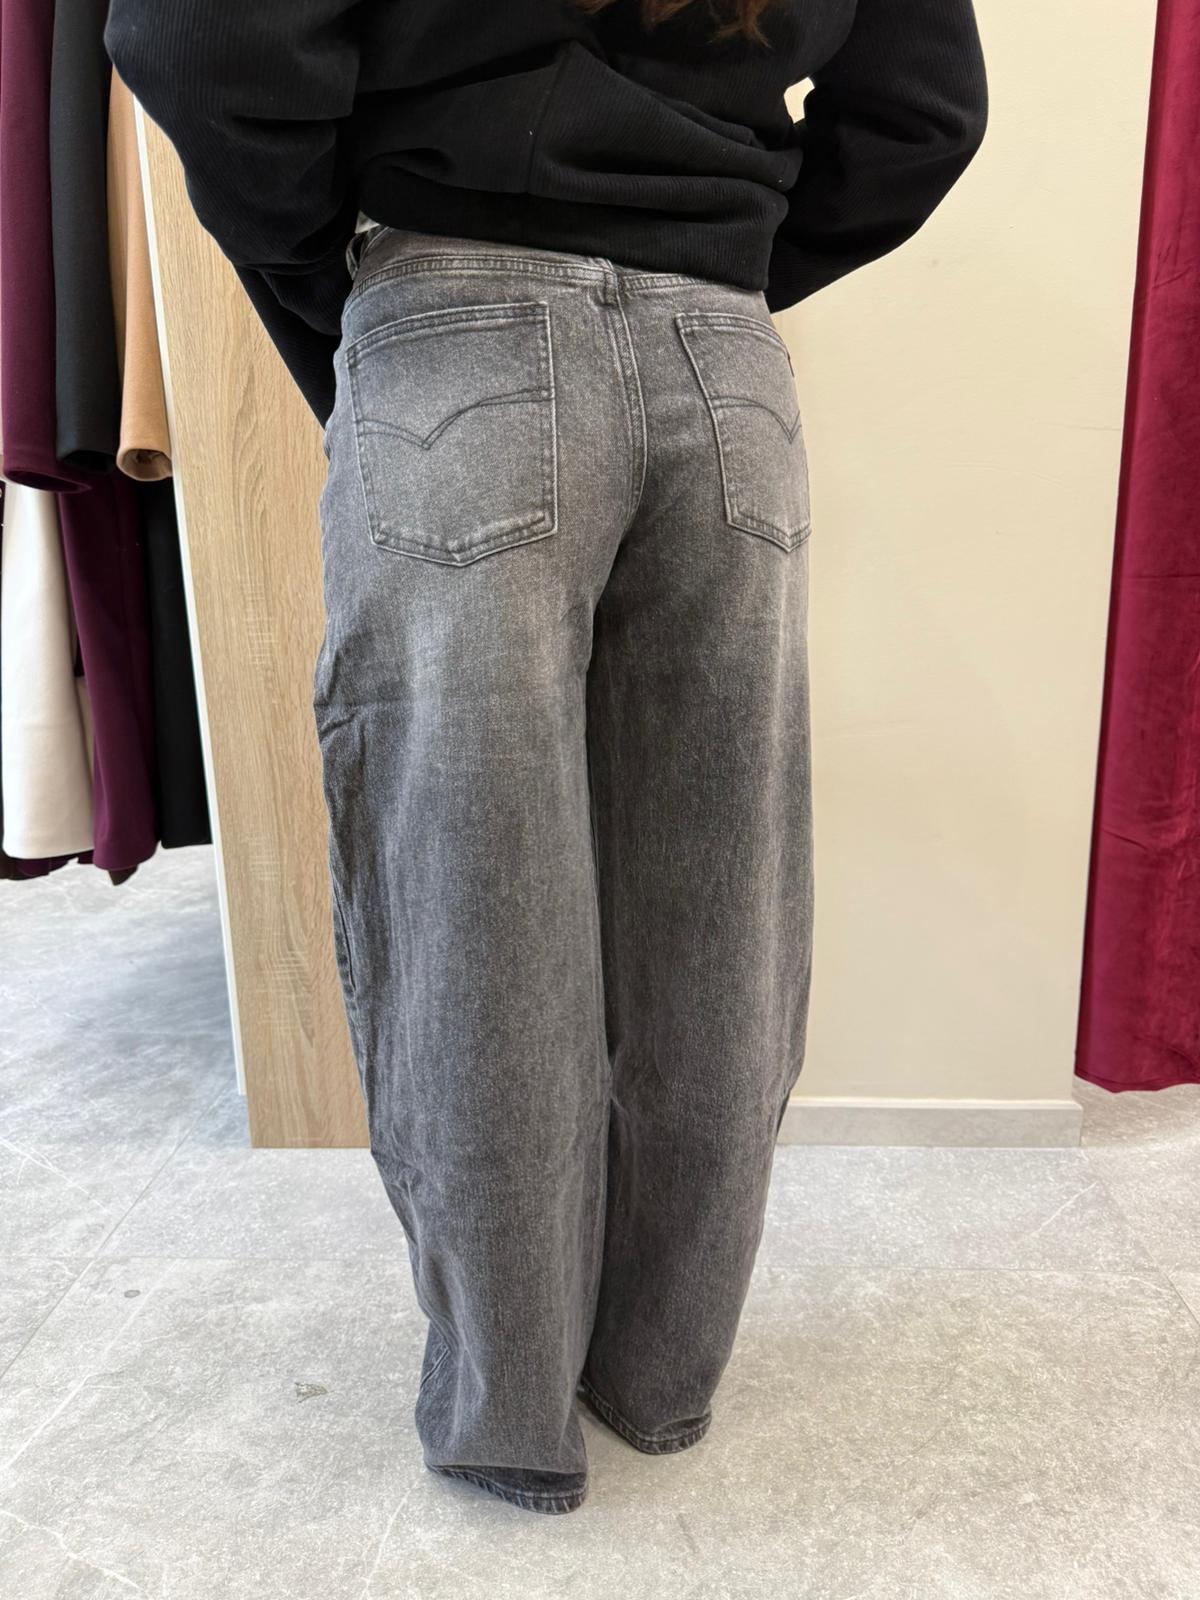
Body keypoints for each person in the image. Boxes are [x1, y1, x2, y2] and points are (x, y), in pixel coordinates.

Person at [105, 0, 988, 1516]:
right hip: (724, 360)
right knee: (716, 911)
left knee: (473, 909)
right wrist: (711, 260)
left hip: (454, 321)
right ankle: (662, 1371)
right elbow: (924, 109)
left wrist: (336, 270)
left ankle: (513, 1409)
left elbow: (206, 35)